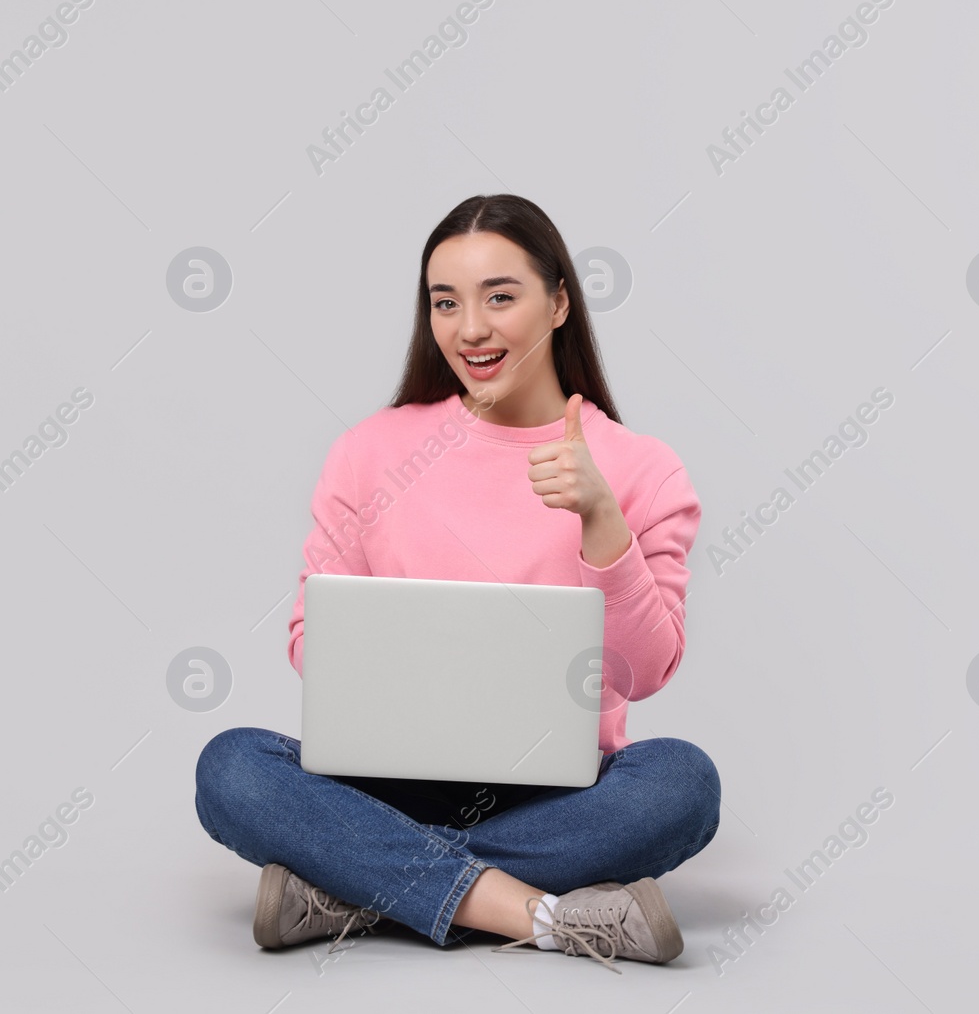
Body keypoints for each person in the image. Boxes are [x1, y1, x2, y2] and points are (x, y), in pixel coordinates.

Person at [193, 194, 720, 973]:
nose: (469, 328)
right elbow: (313, 642)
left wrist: (601, 519)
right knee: (230, 766)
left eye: (500, 296)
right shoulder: (368, 452)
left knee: (683, 782)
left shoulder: (640, 468)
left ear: (559, 302)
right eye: (446, 302)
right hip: (384, 787)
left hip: (558, 797)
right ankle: (542, 914)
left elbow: (645, 672)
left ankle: (356, 887)